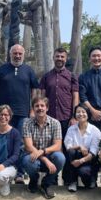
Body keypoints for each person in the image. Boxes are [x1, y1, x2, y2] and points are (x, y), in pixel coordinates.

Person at [0, 44, 39, 183]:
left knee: (20, 143)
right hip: (4, 114)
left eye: (20, 53)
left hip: (23, 113)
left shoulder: (29, 70)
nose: (17, 55)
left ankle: (19, 174)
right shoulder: (2, 70)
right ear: (10, 54)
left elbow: (34, 91)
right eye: (15, 53)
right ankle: (4, 172)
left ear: (23, 55)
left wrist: (32, 110)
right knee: (4, 143)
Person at [40, 47, 79, 184]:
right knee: (52, 150)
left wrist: (74, 116)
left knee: (68, 149)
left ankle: (68, 179)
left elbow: (75, 97)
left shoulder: (72, 76)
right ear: (53, 57)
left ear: (66, 58)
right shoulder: (46, 77)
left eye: (62, 57)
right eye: (57, 56)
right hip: (50, 119)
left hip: (67, 118)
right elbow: (42, 98)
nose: (60, 59)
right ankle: (53, 178)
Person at [22, 96, 65, 199]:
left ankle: (47, 183)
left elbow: (57, 145)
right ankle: (34, 179)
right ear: (33, 108)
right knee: (27, 160)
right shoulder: (27, 123)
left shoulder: (55, 123)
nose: (40, 108)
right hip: (34, 157)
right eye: (37, 106)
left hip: (51, 157)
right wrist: (45, 160)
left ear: (47, 108)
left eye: (42, 105)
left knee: (61, 158)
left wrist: (43, 151)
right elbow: (28, 146)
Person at [64, 104, 101, 192]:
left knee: (84, 173)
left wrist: (81, 161)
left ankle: (91, 179)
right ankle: (73, 181)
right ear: (75, 115)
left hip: (89, 159)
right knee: (71, 152)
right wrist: (79, 146)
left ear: (88, 114)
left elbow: (93, 152)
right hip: (74, 157)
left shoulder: (95, 130)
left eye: (83, 112)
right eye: (78, 112)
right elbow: (68, 146)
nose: (81, 114)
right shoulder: (71, 129)